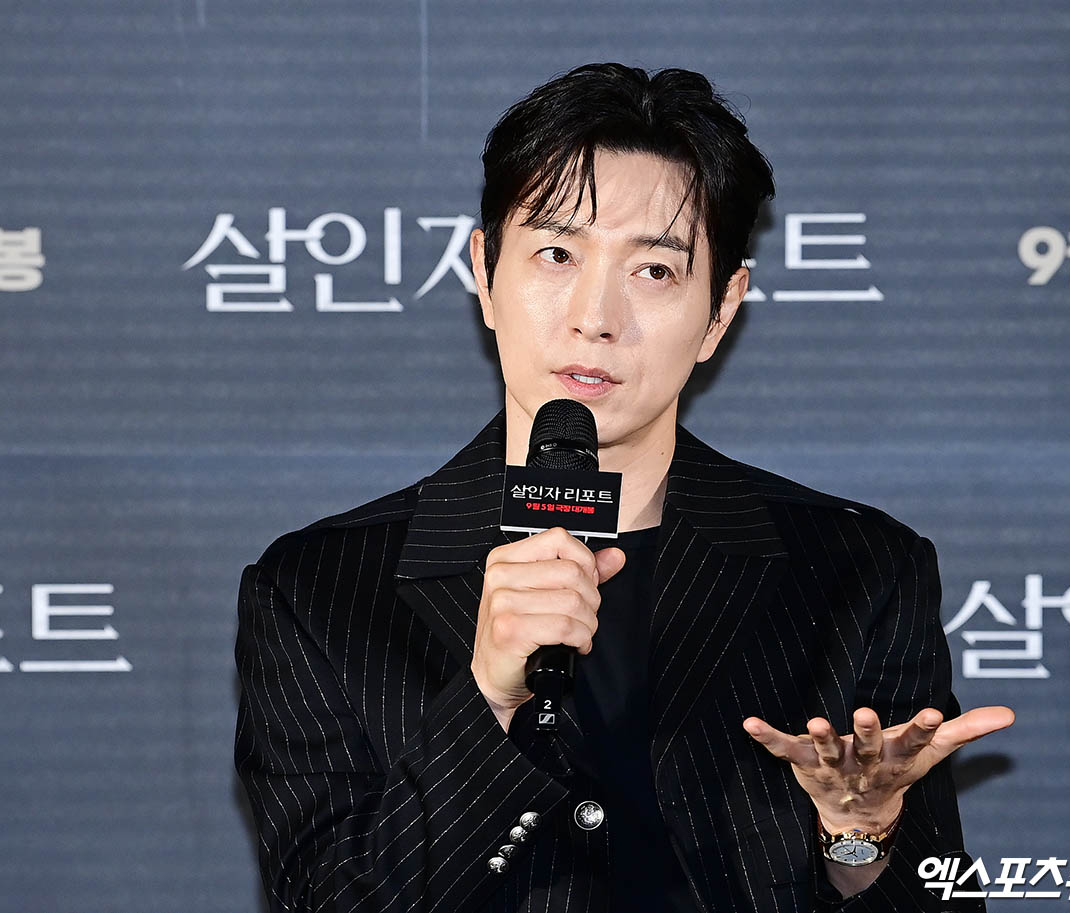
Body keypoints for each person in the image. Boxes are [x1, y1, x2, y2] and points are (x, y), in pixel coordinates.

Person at [234, 62, 1015, 912]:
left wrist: (857, 833)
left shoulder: (857, 572)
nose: (596, 317)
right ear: (485, 273)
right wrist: (487, 697)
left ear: (721, 310)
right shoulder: (318, 589)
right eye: (557, 253)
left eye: (654, 271)